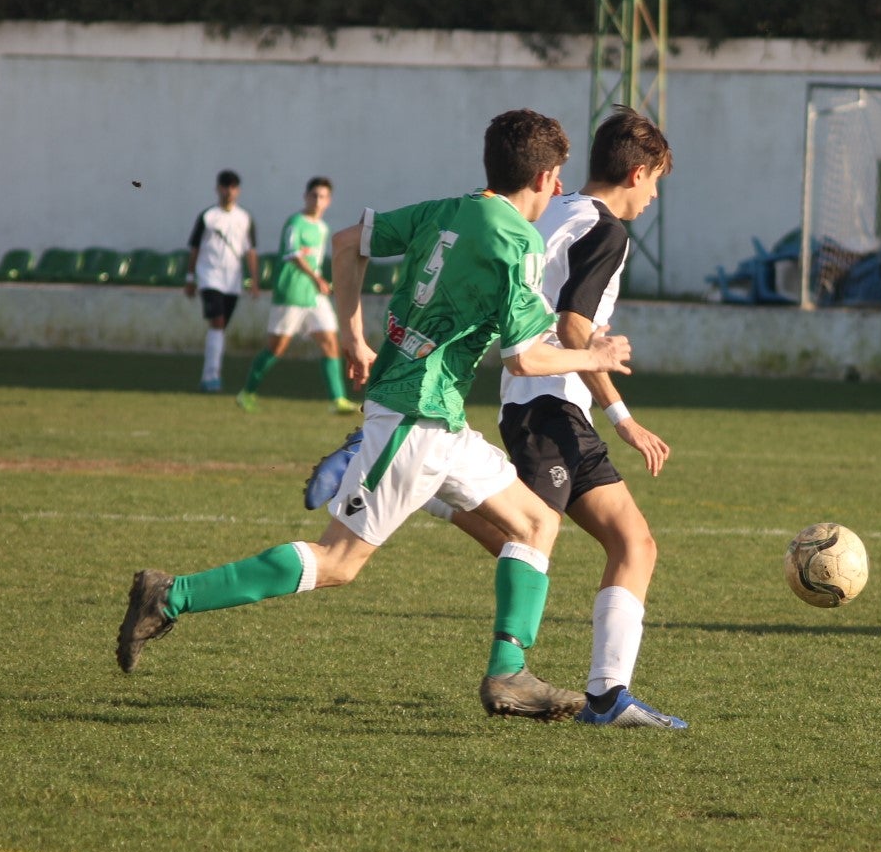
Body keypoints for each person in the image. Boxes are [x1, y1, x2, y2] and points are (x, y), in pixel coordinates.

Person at [117, 109, 634, 724]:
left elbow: (345, 243)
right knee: (338, 562)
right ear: (545, 178)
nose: (559, 188)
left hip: (436, 417)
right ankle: (171, 595)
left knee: (536, 523)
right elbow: (524, 358)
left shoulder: (446, 208)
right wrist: (595, 354)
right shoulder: (517, 241)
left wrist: (353, 337)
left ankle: (508, 673)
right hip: (416, 416)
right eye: (558, 177)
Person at [302, 106, 683, 729]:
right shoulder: (608, 231)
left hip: (530, 397)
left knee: (602, 541)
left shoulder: (551, 205)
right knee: (547, 538)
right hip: (552, 401)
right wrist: (622, 415)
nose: (655, 196)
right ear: (637, 173)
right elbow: (574, 326)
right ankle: (589, 692)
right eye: (657, 181)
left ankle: (604, 693)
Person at [235, 176, 360, 415]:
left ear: (329, 201)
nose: (317, 200)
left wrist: (320, 280)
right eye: (314, 195)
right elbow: (293, 254)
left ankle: (338, 400)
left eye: (322, 196)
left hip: (314, 296)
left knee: (330, 342)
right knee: (277, 347)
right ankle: (247, 392)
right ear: (306, 197)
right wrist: (317, 278)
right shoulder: (295, 222)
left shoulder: (322, 228)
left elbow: (315, 260)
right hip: (291, 293)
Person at [186, 169, 260, 393]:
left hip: (232, 281)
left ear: (238, 190)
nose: (229, 191)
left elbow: (250, 251)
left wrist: (254, 280)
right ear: (218, 189)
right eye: (225, 187)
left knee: (220, 327)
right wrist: (190, 277)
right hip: (210, 277)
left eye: (233, 187)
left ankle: (210, 374)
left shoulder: (244, 218)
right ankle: (211, 376)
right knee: (217, 322)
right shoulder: (208, 216)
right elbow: (195, 248)